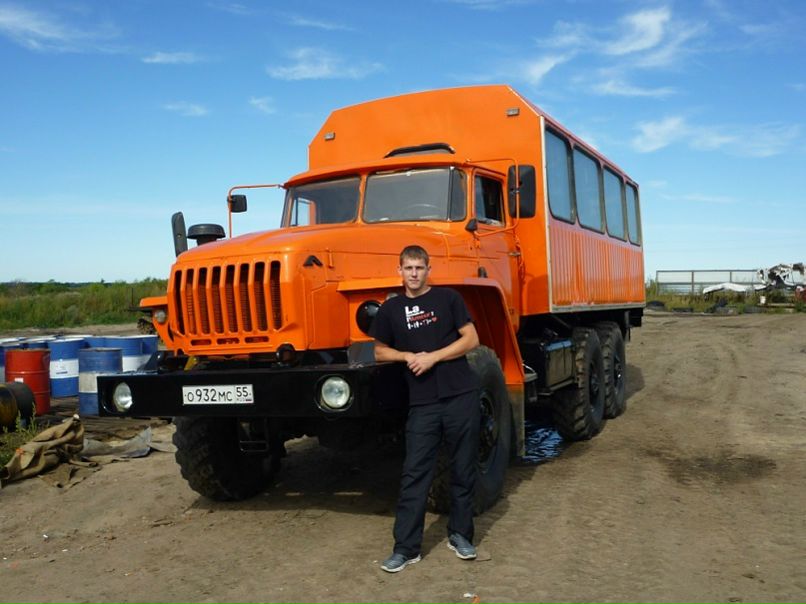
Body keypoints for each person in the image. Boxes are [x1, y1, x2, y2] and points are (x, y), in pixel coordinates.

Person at [370, 244, 481, 573]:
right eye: (409, 268)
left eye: (420, 268)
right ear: (399, 271)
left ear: (428, 270)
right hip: (423, 403)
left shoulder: (448, 299)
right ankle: (406, 549)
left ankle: (460, 535)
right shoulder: (391, 310)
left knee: (463, 469)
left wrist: (433, 357)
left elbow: (471, 339)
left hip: (461, 394)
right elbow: (378, 352)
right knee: (415, 474)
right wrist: (406, 356)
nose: (414, 274)